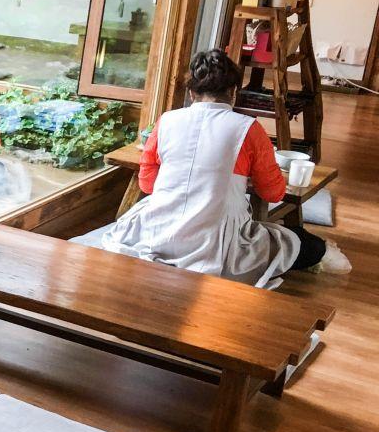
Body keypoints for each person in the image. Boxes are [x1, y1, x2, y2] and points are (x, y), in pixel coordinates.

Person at [102, 49, 329, 287]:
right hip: (215, 245)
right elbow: (273, 193)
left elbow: (147, 184)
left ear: (191, 93)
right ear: (233, 92)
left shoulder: (166, 121)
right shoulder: (249, 129)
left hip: (154, 233)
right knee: (307, 245)